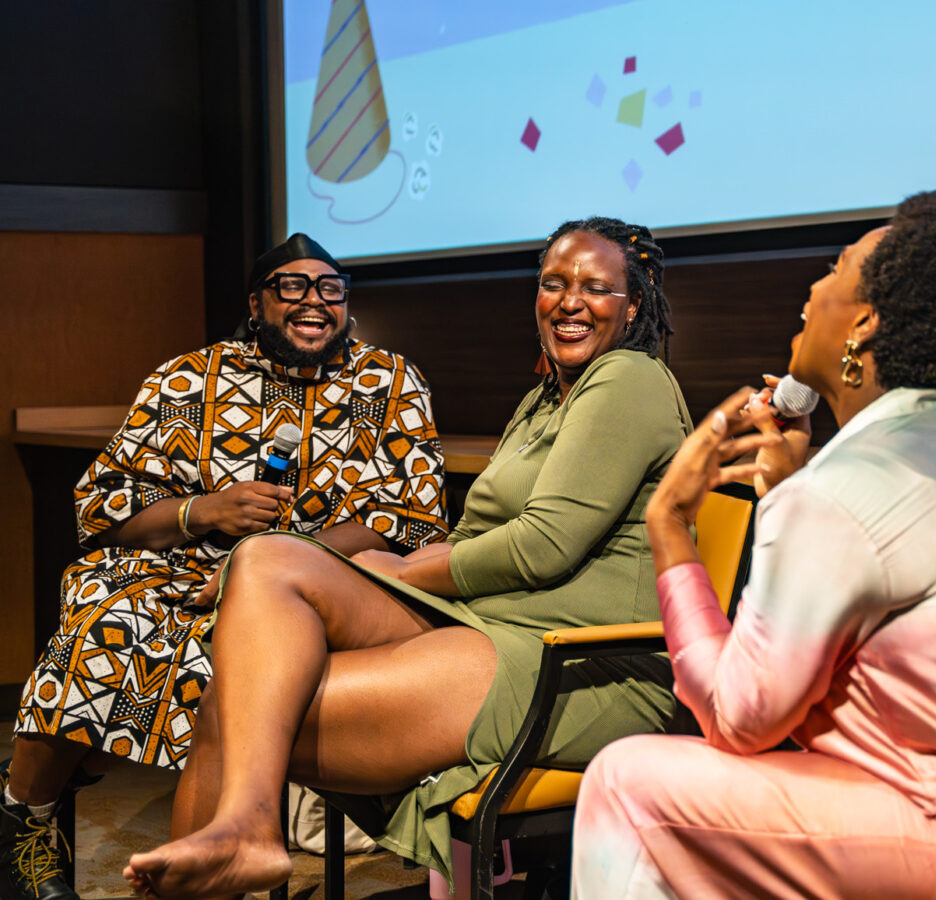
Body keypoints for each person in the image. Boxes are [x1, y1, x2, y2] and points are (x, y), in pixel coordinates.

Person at [570, 192, 936, 899]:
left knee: (627, 783)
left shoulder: (837, 494)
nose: (812, 287)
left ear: (863, 323)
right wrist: (792, 493)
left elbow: (739, 719)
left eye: (834, 269)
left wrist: (670, 525)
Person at [121, 216, 693, 899]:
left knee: (234, 709)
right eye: (553, 283)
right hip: (486, 620)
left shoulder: (627, 378)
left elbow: (543, 546)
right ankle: (248, 828)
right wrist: (372, 570)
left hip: (571, 659)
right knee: (268, 558)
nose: (569, 301)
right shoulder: (547, 397)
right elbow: (477, 532)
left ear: (632, 306)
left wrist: (400, 569)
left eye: (595, 287)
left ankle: (249, 825)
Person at [1, 233, 448, 900]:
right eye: (292, 286)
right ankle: (27, 820)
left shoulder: (386, 380)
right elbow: (102, 505)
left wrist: (285, 558)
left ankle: (214, 858)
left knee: (230, 664)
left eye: (331, 288)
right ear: (256, 303)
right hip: (178, 572)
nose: (315, 301)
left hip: (318, 585)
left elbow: (412, 513)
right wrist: (203, 513)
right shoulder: (187, 378)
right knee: (102, 620)